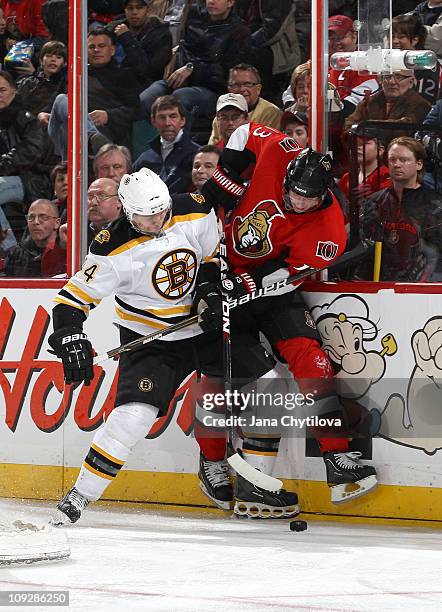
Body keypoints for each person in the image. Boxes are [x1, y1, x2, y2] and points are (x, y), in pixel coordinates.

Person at [48, 168, 275, 523]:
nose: (156, 220)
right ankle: (78, 497)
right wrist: (69, 335)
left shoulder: (194, 209)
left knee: (270, 384)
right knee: (132, 419)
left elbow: (212, 256)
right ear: (126, 210)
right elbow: (71, 300)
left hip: (204, 326)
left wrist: (209, 292)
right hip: (151, 340)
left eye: (160, 212)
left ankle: (255, 487)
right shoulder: (110, 247)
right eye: (145, 216)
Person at [200, 128, 378, 513]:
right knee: (223, 373)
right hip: (217, 270)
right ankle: (213, 461)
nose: (297, 201)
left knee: (312, 362)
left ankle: (336, 459)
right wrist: (228, 171)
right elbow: (245, 130)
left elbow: (279, 276)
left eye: (307, 197)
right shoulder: (281, 150)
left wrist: (243, 283)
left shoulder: (328, 230)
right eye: (293, 191)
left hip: (270, 291)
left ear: (324, 193)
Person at [138, 0, 251, 120]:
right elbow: (185, 45)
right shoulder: (194, 15)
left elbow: (226, 72)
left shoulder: (239, 31)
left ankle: (179, 137)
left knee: (180, 99)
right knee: (147, 97)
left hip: (211, 88)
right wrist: (175, 56)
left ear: (230, 2)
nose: (211, 1)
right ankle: (163, 136)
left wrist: (192, 68)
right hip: (179, 79)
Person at [356, 136, 442, 282]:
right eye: (392, 160)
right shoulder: (374, 202)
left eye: (404, 160)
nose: (397, 164)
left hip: (424, 289)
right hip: (380, 288)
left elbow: (436, 256)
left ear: (419, 164)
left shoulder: (436, 205)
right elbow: (364, 250)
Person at [133, 95, 199, 194]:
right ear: (153, 121)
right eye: (162, 117)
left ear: (182, 120)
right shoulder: (144, 160)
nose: (167, 123)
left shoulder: (197, 155)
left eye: (173, 116)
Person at [208, 64, 281, 146]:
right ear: (229, 89)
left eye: (247, 84)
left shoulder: (271, 113)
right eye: (236, 85)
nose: (242, 89)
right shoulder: (221, 116)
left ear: (258, 89)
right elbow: (213, 148)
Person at [110, 0, 172, 89]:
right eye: (130, 8)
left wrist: (127, 38)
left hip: (143, 85)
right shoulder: (113, 29)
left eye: (139, 8)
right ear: (125, 10)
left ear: (148, 10)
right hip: (112, 81)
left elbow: (148, 72)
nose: (134, 12)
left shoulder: (161, 34)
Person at [2, 198, 65, 278]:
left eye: (43, 217)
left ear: (57, 223)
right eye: (31, 217)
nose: (36, 222)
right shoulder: (16, 253)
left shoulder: (66, 252)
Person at [15, 39, 67, 126]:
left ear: (64, 63)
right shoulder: (28, 80)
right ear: (41, 61)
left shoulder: (64, 84)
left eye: (58, 57)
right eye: (49, 56)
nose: (53, 60)